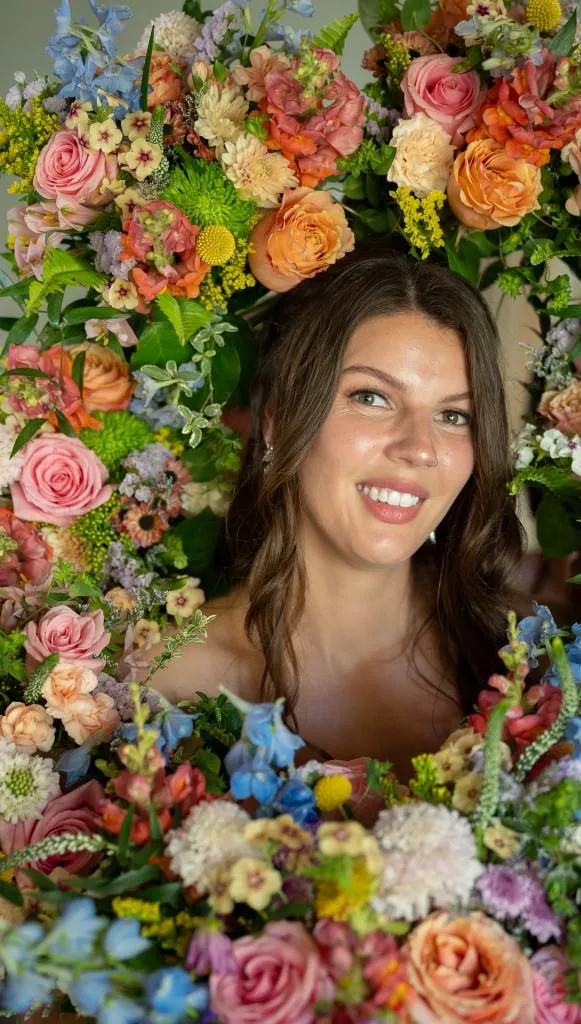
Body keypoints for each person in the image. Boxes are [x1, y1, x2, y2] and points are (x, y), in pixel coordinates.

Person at [149, 243, 524, 779]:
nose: (419, 448)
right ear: (279, 421)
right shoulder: (172, 686)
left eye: (453, 415)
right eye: (371, 398)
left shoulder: (521, 657)